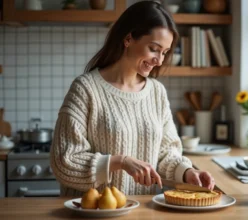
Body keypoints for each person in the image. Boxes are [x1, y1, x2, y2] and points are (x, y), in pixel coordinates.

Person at [50, 0, 215, 196]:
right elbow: (64, 162)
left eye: (165, 52)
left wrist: (188, 172)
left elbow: (165, 154)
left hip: (143, 212)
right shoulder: (86, 89)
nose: (159, 60)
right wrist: (120, 162)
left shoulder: (156, 92)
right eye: (154, 49)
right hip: (93, 213)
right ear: (128, 38)